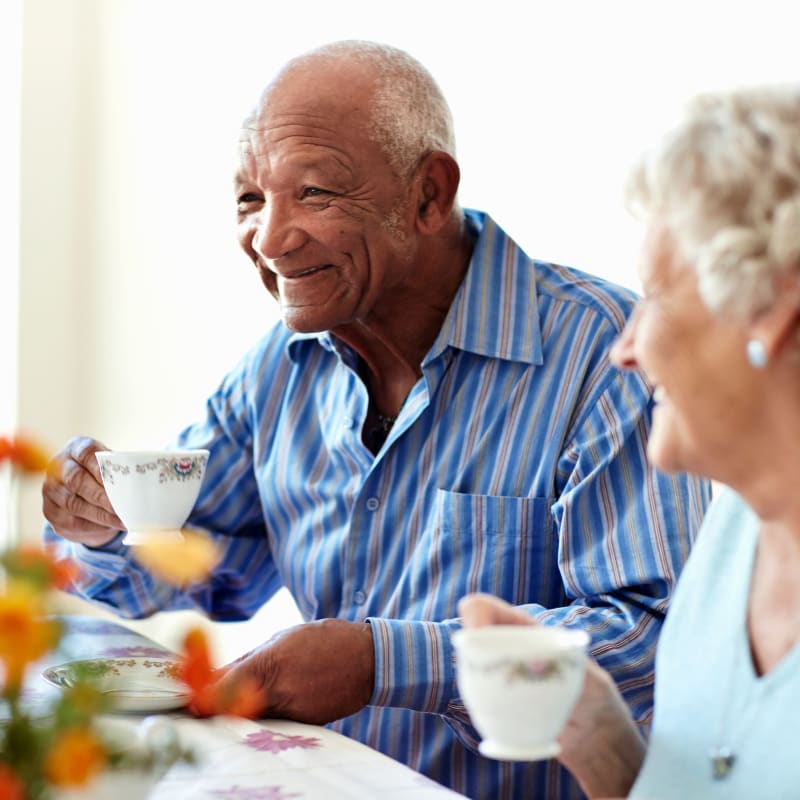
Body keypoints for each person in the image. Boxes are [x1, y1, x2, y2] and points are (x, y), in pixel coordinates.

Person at [41, 40, 709, 800]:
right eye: (250, 199)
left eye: (314, 193)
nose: (270, 237)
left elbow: (659, 639)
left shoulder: (603, 354)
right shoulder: (279, 370)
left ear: (428, 194)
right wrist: (96, 526)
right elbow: (186, 566)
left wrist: (381, 662)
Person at [460, 85, 800, 799]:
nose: (625, 348)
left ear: (777, 313)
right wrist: (600, 737)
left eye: (655, 296)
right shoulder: (734, 528)